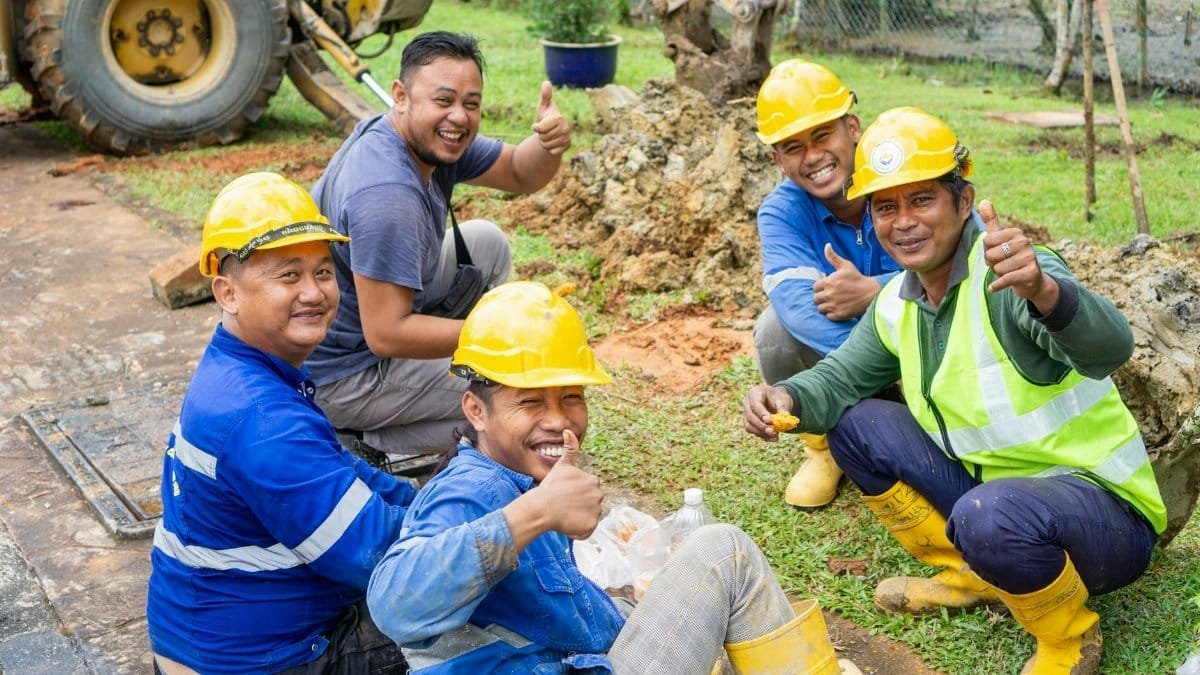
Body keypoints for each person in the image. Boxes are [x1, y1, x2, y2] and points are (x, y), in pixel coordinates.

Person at [742, 108, 1165, 674]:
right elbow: (837, 380)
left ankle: (1069, 637)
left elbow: (1110, 349)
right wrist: (786, 398)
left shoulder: (1011, 273)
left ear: (963, 203)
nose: (904, 222)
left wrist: (1046, 291)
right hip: (996, 498)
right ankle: (974, 574)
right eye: (886, 206)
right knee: (855, 423)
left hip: (1104, 515)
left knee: (988, 514)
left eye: (923, 200)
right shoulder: (898, 300)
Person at [366, 281, 860, 674]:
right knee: (724, 552)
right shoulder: (471, 491)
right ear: (476, 409)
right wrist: (536, 512)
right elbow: (394, 606)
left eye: (571, 398)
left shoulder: (519, 479)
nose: (558, 420)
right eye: (531, 401)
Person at [146, 172, 418, 674]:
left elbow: (348, 474)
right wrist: (500, 530)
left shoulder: (245, 370)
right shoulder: (262, 417)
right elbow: (380, 559)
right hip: (267, 660)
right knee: (480, 622)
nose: (314, 293)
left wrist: (433, 501)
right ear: (227, 293)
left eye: (322, 272)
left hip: (213, 640)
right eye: (288, 276)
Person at [308, 30, 572, 458]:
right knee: (516, 402)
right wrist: (508, 332)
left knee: (485, 243)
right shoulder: (387, 194)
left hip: (362, 322)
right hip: (344, 375)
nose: (459, 116)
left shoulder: (429, 139)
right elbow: (387, 334)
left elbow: (522, 172)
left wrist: (547, 144)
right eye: (444, 100)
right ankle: (362, 440)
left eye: (471, 104)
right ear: (401, 96)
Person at [753, 59, 901, 509]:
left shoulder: (902, 173)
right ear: (778, 160)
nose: (813, 156)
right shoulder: (781, 213)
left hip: (931, 352)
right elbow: (797, 306)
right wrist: (879, 366)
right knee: (775, 330)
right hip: (865, 358)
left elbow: (964, 266)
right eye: (793, 147)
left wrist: (876, 291)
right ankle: (823, 446)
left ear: (852, 128)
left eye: (823, 135)